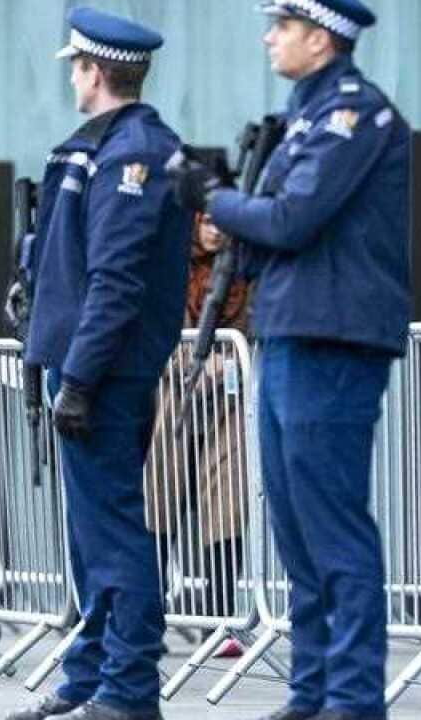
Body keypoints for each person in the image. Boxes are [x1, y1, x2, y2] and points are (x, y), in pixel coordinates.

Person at [175, 1, 411, 718]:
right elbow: (267, 227)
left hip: (332, 335)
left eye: (282, 26)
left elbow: (291, 219)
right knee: (293, 525)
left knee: (331, 522)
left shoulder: (352, 115)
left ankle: (352, 698)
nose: (268, 37)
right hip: (289, 329)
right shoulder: (302, 118)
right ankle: (312, 691)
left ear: (321, 37)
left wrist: (214, 199)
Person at [8, 8, 187, 720]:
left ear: (94, 69)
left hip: (104, 371)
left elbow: (116, 278)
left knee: (112, 533)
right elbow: (69, 256)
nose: (72, 77)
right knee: (90, 538)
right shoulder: (95, 145)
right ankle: (89, 676)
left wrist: (79, 377)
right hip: (83, 360)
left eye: (77, 67)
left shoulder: (134, 151)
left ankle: (130, 688)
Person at [144, 214, 250, 659]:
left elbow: (257, 323)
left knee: (227, 501)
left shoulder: (244, 269)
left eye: (223, 222)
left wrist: (232, 362)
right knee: (160, 500)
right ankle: (146, 613)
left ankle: (218, 618)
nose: (215, 230)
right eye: (207, 221)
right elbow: (152, 323)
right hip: (171, 390)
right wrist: (188, 363)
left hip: (230, 394)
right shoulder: (170, 266)